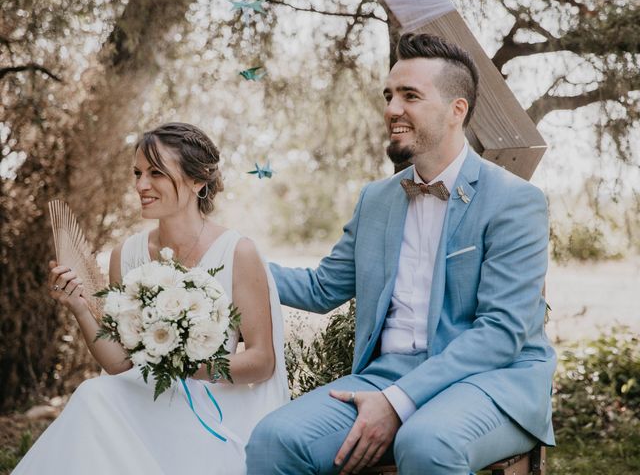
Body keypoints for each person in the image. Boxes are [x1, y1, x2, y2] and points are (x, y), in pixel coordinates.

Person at [246, 33, 556, 475]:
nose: (392, 109)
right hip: (384, 375)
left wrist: (398, 403)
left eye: (410, 95)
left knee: (426, 442)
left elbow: (501, 333)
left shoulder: (515, 200)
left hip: (491, 382)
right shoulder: (376, 199)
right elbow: (321, 288)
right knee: (274, 440)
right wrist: (228, 266)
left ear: (457, 110)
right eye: (390, 95)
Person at [13, 122, 289, 474]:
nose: (141, 185)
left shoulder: (237, 252)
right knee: (93, 394)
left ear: (197, 181)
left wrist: (187, 367)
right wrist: (80, 308)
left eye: (156, 173)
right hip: (143, 396)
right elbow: (119, 364)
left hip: (211, 410)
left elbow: (262, 361)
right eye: (138, 173)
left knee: (95, 398)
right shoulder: (125, 255)